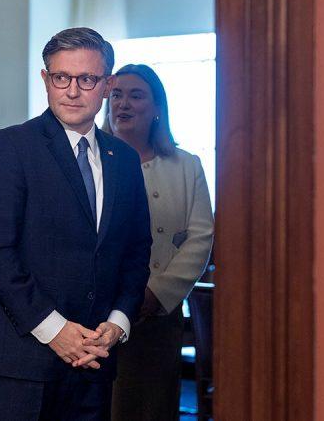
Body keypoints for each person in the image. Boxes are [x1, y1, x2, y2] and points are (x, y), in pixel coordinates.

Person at [0, 28, 152, 421]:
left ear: (107, 85)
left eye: (86, 79)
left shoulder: (123, 158)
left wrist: (118, 322)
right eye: (61, 77)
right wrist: (55, 330)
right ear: (45, 79)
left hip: (95, 360)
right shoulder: (9, 146)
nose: (72, 91)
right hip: (23, 362)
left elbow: (137, 252)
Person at [105, 64, 215, 421]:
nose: (123, 103)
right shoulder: (91, 160)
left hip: (159, 315)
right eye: (116, 94)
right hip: (98, 315)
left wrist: (156, 294)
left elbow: (201, 237)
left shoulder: (187, 165)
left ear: (157, 108)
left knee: (152, 408)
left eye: (136, 95)